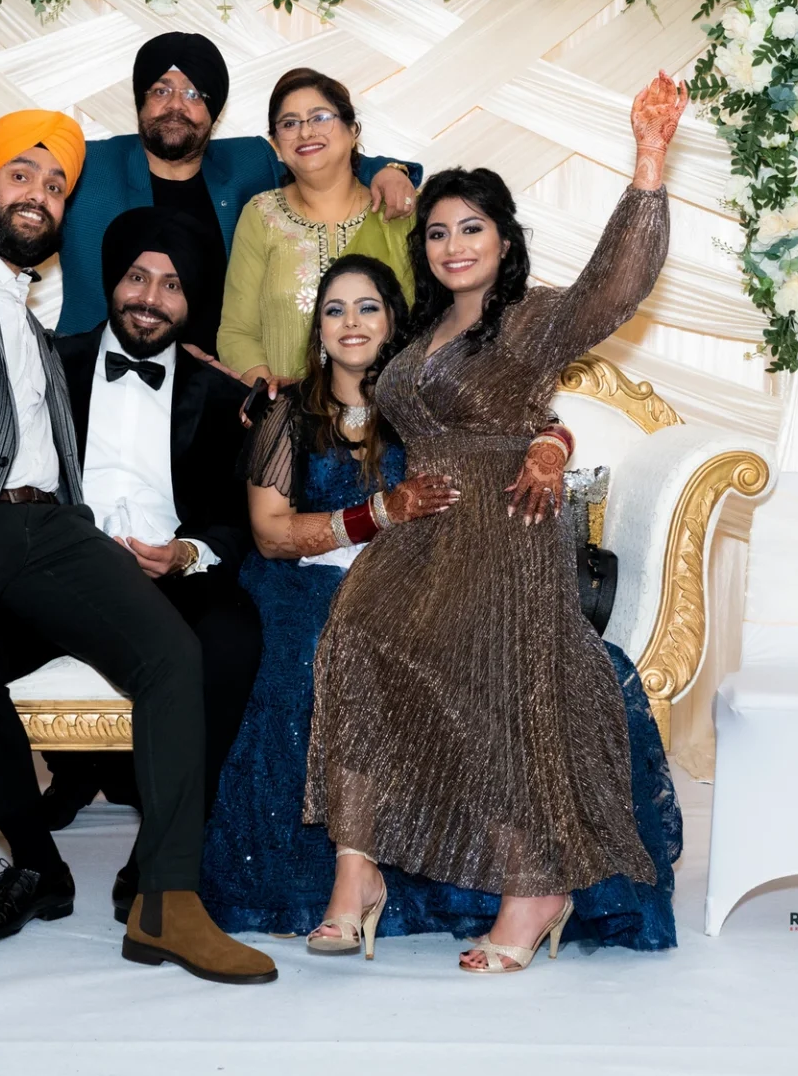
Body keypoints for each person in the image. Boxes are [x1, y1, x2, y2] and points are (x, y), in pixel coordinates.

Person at [0, 109, 275, 1030]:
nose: (38, 194)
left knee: (173, 655)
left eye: (55, 184)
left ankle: (166, 903)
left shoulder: (28, 321)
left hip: (52, 528)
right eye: (21, 176)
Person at [306, 71, 689, 973]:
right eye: (437, 232)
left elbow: (617, 284)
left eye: (470, 227)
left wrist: (649, 161)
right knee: (352, 641)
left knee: (496, 675)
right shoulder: (421, 330)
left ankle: (535, 886)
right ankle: (357, 873)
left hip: (509, 526)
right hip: (423, 533)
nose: (451, 244)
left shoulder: (532, 319)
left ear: (505, 238)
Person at [204, 258, 681, 954]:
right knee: (317, 651)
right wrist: (377, 513)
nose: (351, 323)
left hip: (434, 577)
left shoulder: (423, 397)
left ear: (397, 323)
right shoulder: (290, 414)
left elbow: (529, 422)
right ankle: (350, 873)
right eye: (334, 310)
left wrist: (551, 445)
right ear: (317, 331)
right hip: (310, 577)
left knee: (506, 663)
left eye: (369, 308)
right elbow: (273, 536)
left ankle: (510, 879)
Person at [0, 207, 263, 926]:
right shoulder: (44, 365)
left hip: (172, 583)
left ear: (191, 304)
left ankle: (153, 866)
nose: (151, 298)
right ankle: (34, 863)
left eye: (171, 286)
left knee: (235, 641)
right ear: (112, 282)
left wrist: (188, 552)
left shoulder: (224, 397)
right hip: (52, 574)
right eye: (137, 278)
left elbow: (239, 518)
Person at [0, 34, 421, 400]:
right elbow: (2, 219)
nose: (176, 103)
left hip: (222, 391)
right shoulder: (91, 164)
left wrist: (387, 170)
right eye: (160, 89)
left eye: (194, 93)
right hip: (94, 379)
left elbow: (322, 160)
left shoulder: (248, 165)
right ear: (140, 101)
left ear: (213, 112)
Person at [217, 68, 417, 387]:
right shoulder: (261, 214)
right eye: (289, 124)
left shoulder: (393, 211)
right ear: (276, 145)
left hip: (385, 420)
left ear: (353, 130)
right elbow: (237, 332)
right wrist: (270, 396)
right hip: (286, 423)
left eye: (320, 117)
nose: (306, 133)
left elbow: (424, 326)